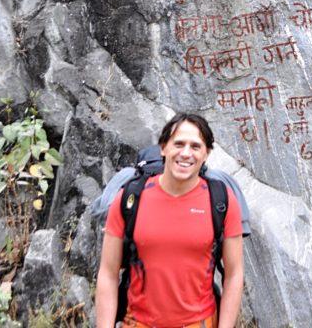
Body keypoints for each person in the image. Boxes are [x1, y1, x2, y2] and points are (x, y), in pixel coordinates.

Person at [95, 113, 244, 328]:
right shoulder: (130, 198)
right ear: (163, 147)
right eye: (178, 144)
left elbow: (234, 273)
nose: (186, 153)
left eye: (195, 146)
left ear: (206, 153)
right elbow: (108, 272)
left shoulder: (221, 200)